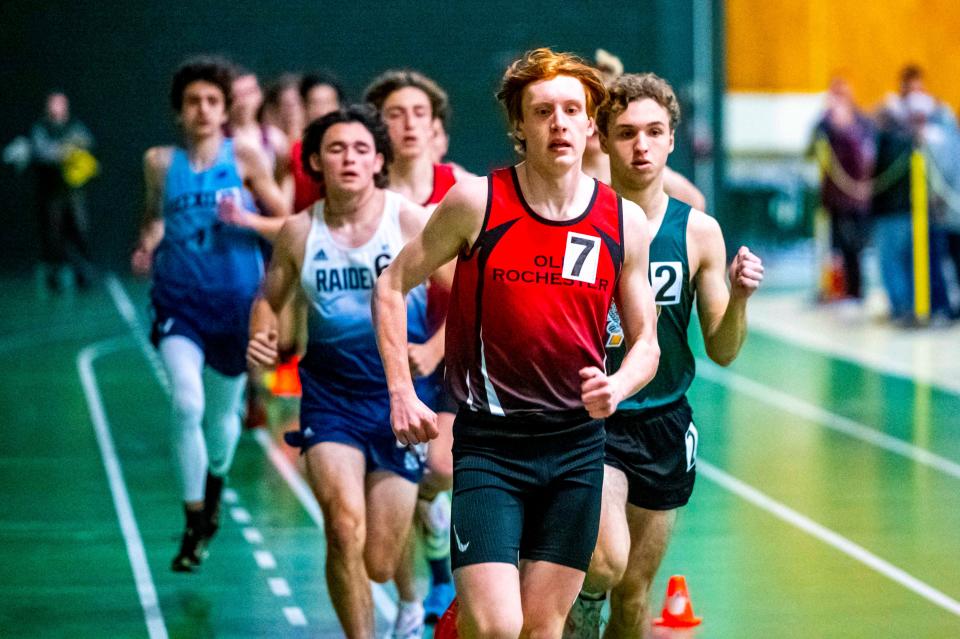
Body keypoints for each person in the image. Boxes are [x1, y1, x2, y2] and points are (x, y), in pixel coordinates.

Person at [373, 48, 660, 638]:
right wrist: (401, 391)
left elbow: (647, 343)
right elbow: (391, 285)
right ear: (519, 127)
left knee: (542, 628)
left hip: (577, 447)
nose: (558, 123)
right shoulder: (477, 203)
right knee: (500, 626)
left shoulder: (623, 221)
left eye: (572, 110)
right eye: (542, 111)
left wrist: (619, 384)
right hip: (490, 447)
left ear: (590, 126)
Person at [563, 72, 764, 638]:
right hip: (591, 418)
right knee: (605, 561)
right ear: (601, 139)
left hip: (664, 422)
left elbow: (723, 350)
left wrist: (741, 296)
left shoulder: (698, 233)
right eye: (626, 132)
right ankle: (579, 605)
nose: (642, 145)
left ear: (672, 140)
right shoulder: (575, 219)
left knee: (634, 598)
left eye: (654, 132)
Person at [247, 104, 447, 638]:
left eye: (361, 149)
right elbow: (269, 300)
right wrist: (261, 334)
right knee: (342, 529)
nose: (350, 159)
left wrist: (436, 346)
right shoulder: (298, 232)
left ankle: (419, 539)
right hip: (330, 399)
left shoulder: (407, 219)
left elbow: (468, 288)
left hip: (401, 400)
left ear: (379, 159)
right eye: (336, 149)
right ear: (315, 160)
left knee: (379, 560)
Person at [131, 56, 289, 572]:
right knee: (185, 402)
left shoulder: (242, 155)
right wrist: (146, 245)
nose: (203, 110)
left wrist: (245, 216)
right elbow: (155, 219)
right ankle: (194, 514)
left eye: (212, 101)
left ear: (225, 110)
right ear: (179, 110)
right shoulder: (159, 162)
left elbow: (284, 222)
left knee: (222, 417)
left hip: (234, 305)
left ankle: (214, 490)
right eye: (193, 101)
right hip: (179, 303)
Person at [364, 68, 471, 632]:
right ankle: (421, 583)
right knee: (396, 475)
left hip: (452, 356)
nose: (407, 125)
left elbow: (483, 286)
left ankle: (437, 540)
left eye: (419, 114)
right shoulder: (362, 191)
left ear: (438, 131)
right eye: (394, 115)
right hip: (386, 360)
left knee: (437, 466)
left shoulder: (466, 192)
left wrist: (436, 345)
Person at [811, 77, 875, 300]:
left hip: (857, 198)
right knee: (835, 247)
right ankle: (838, 289)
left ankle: (855, 291)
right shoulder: (825, 123)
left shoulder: (861, 122)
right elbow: (812, 146)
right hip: (835, 198)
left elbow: (867, 157)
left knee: (854, 248)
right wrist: (828, 120)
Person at [30, 91, 97, 292]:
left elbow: (86, 142)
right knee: (53, 235)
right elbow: (41, 152)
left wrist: (70, 151)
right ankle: (54, 276)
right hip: (50, 193)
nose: (56, 108)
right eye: (53, 104)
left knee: (80, 230)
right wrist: (64, 151)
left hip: (73, 193)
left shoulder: (75, 126)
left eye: (59, 104)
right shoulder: (41, 128)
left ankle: (83, 273)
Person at [291, 71, 345, 213]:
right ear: (304, 107)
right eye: (315, 103)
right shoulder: (293, 152)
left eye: (328, 103)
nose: (322, 111)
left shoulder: (351, 152)